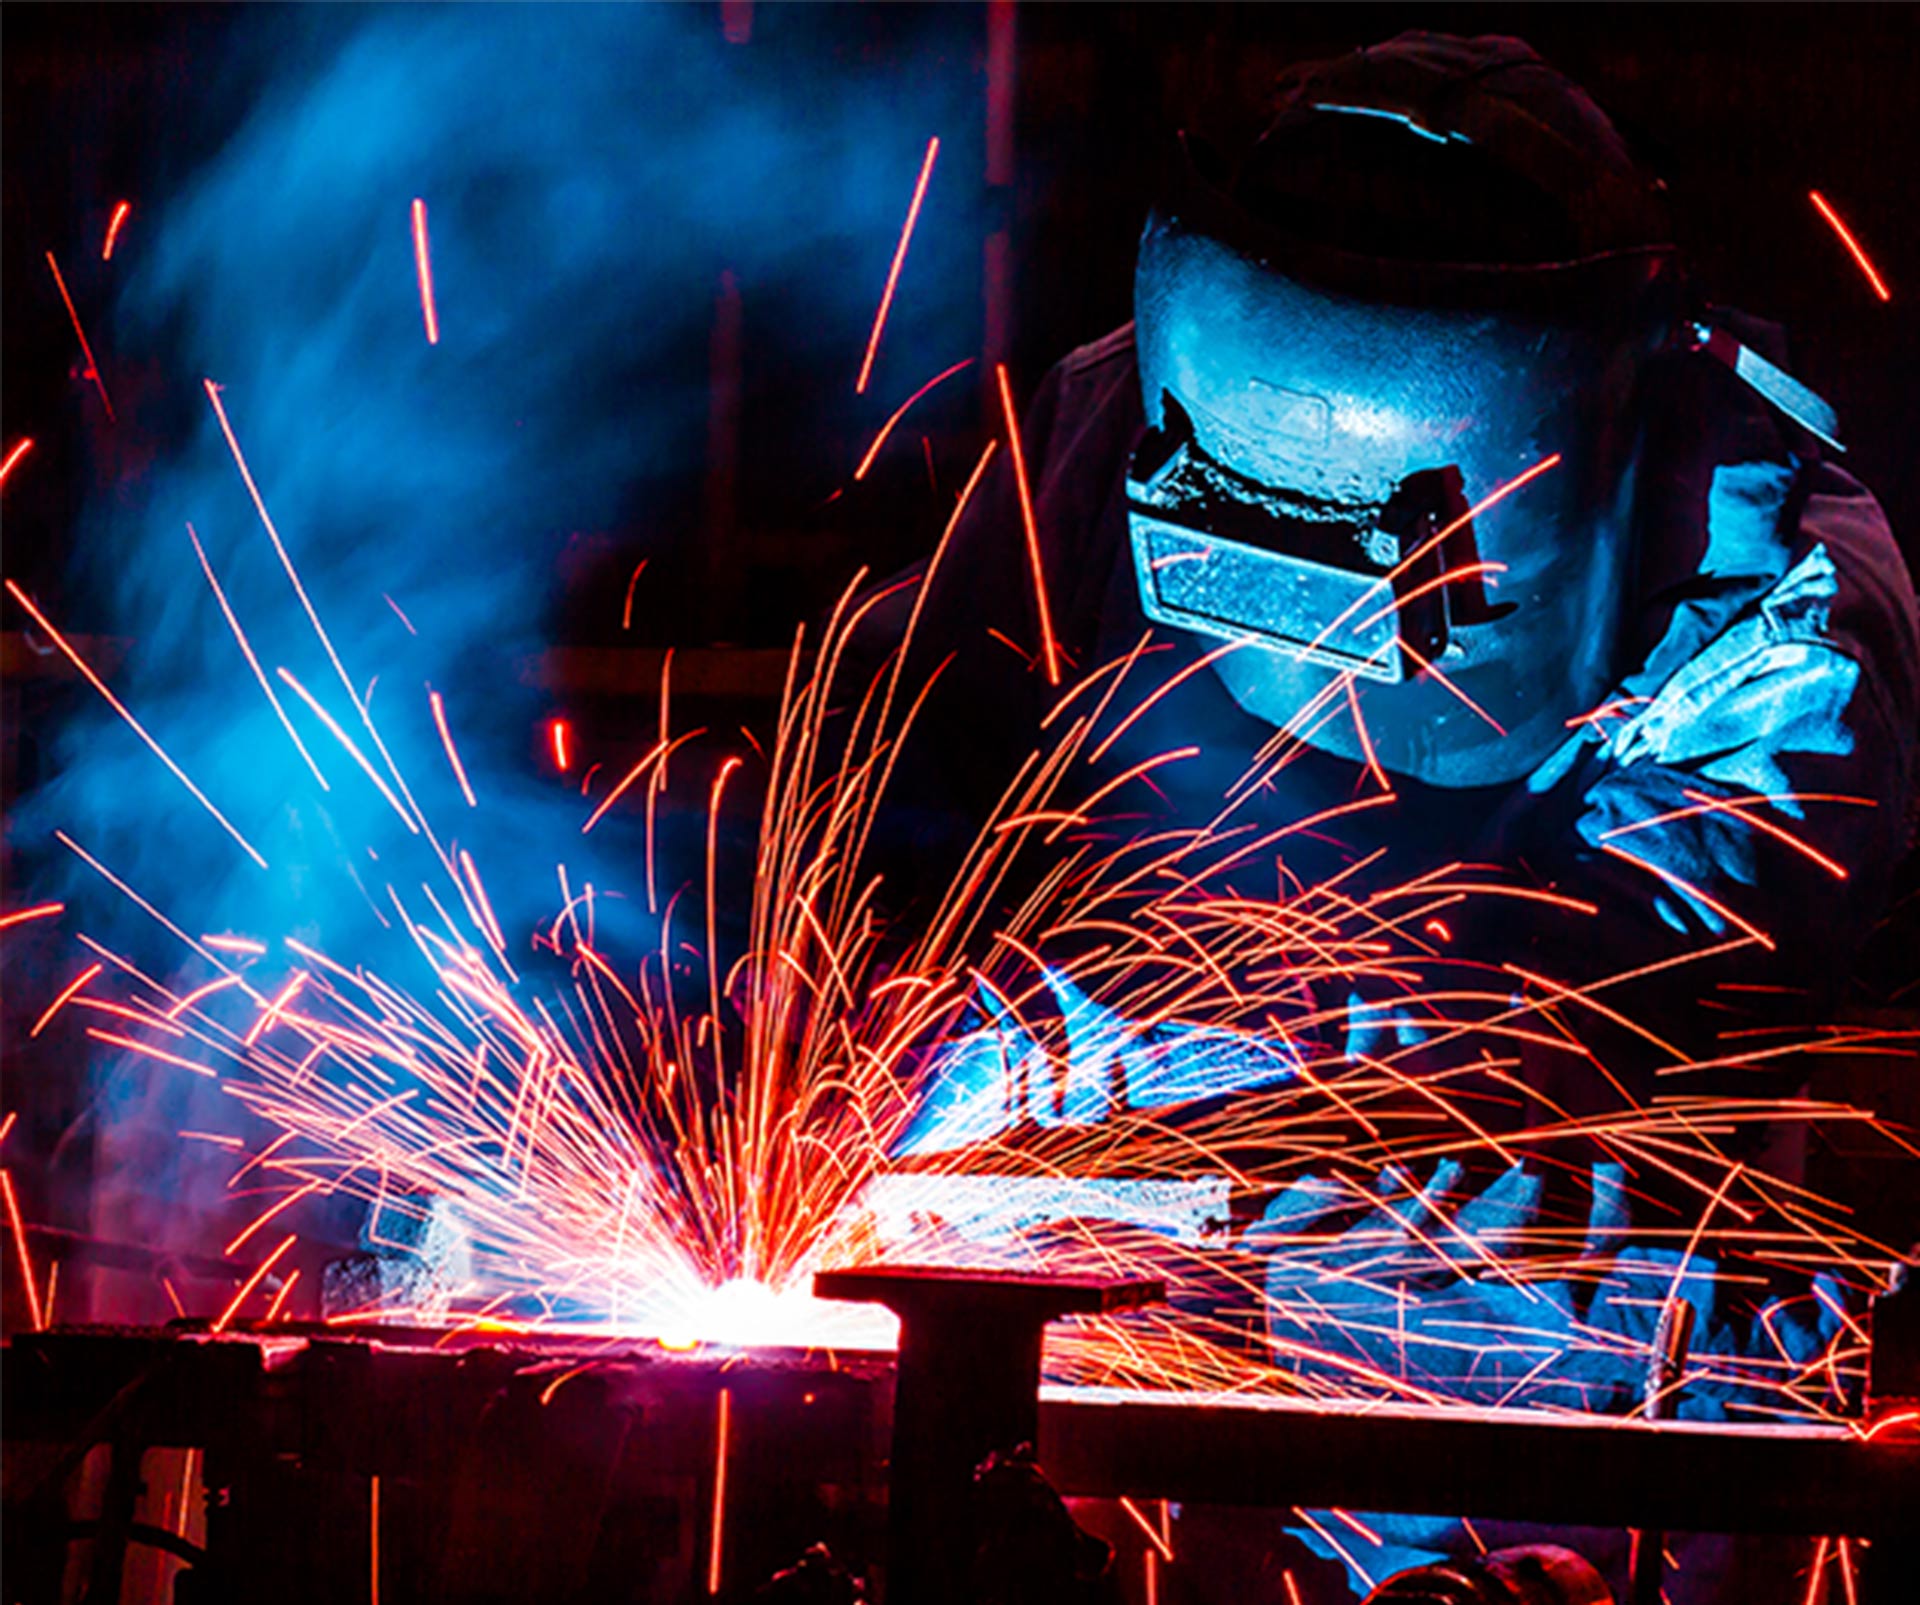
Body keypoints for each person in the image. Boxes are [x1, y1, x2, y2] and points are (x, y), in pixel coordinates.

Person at [847, 32, 1919, 1605]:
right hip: (1135, 1309)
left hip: (1582, 1354)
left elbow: (1547, 1061)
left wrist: (1103, 1046)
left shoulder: (1789, 626)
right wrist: (859, 1000)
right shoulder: (1121, 428)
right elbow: (918, 783)